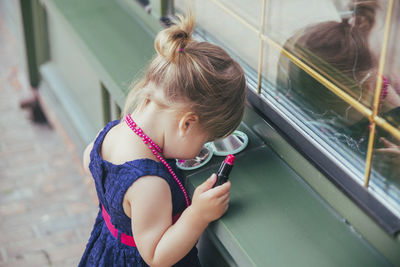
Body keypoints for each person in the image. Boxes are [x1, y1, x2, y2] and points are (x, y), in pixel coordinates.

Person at [78, 11, 246, 267]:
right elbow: (156, 255)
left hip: (107, 251)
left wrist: (119, 207)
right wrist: (198, 214)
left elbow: (88, 158)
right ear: (186, 123)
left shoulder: (113, 133)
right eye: (205, 140)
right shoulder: (149, 183)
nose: (202, 149)